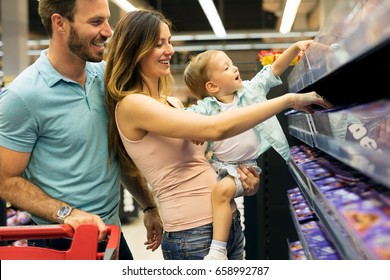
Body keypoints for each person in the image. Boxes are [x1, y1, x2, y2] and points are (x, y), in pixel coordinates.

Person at [104, 9, 332, 260]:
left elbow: (203, 161)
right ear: (136, 49)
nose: (169, 50)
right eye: (159, 44)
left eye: (169, 41)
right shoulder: (132, 105)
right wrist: (288, 100)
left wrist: (245, 186)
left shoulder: (172, 104)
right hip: (193, 237)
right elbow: (216, 128)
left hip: (228, 228)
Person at [0, 0, 162, 260]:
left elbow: (114, 153)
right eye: (96, 22)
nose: (109, 31)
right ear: (59, 23)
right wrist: (68, 213)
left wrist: (149, 205)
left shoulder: (106, 77)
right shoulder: (22, 97)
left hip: (112, 235)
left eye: (107, 20)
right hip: (59, 242)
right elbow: (6, 180)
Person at [182, 41, 313, 259]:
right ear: (212, 86)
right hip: (218, 167)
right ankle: (222, 245)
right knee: (217, 194)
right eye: (226, 67)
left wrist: (295, 47)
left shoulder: (250, 90)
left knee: (221, 192)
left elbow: (273, 70)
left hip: (247, 167)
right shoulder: (206, 107)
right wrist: (192, 129)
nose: (234, 68)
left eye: (232, 64)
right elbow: (186, 116)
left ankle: (217, 251)